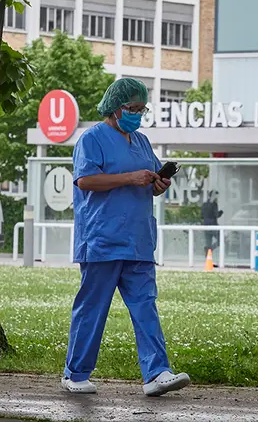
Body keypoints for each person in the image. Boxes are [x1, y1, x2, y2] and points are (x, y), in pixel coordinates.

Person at [62, 78, 190, 397]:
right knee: (92, 307)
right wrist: (129, 178)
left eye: (141, 108)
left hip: (139, 239)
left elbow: (148, 178)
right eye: (132, 108)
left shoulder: (142, 141)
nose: (137, 114)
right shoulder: (91, 139)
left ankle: (157, 373)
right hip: (102, 238)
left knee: (145, 305)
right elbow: (85, 181)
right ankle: (75, 373)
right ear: (115, 108)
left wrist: (157, 184)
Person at [201, 190, 223, 256]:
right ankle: (210, 249)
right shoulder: (214, 204)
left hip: (205, 226)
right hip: (214, 226)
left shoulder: (204, 204)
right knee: (221, 240)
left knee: (208, 242)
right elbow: (216, 215)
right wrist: (221, 212)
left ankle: (207, 257)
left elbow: (201, 216)